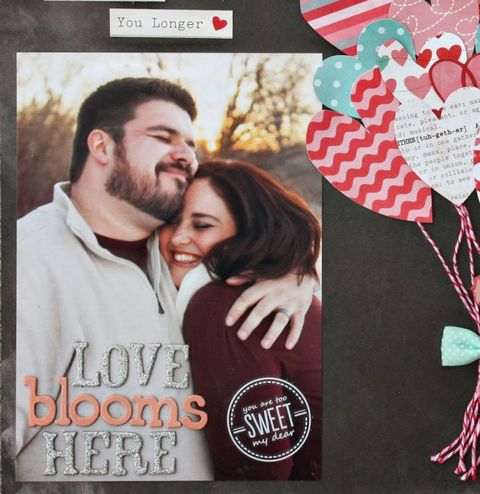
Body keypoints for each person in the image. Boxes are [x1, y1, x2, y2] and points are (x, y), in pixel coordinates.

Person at [15, 77, 317, 481]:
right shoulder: (27, 259)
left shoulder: (181, 264)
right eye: (163, 136)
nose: (186, 156)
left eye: (190, 144)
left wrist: (297, 272)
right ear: (102, 146)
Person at [159, 160, 321, 480]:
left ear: (248, 231)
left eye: (202, 225)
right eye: (171, 221)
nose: (178, 238)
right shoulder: (275, 290)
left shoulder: (222, 308)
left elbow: (260, 473)